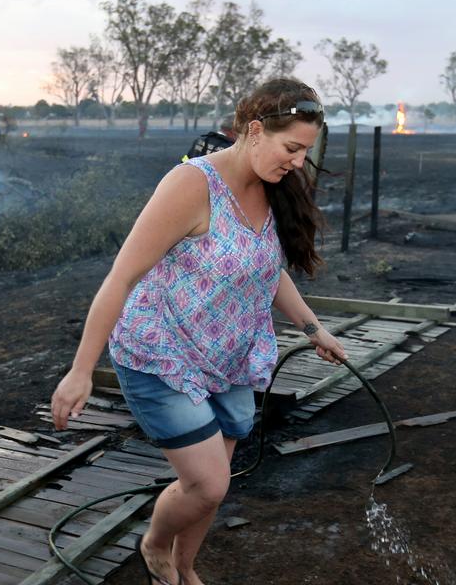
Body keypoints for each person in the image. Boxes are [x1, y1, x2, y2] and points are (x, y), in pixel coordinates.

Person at [50, 77, 348, 585]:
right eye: (292, 148)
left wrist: (313, 328)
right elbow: (121, 277)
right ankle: (154, 545)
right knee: (207, 483)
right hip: (161, 353)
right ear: (255, 130)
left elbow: (266, 267)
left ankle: (185, 568)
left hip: (230, 355)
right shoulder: (190, 185)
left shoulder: (269, 186)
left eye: (305, 151)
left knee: (216, 481)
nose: (298, 162)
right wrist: (81, 370)